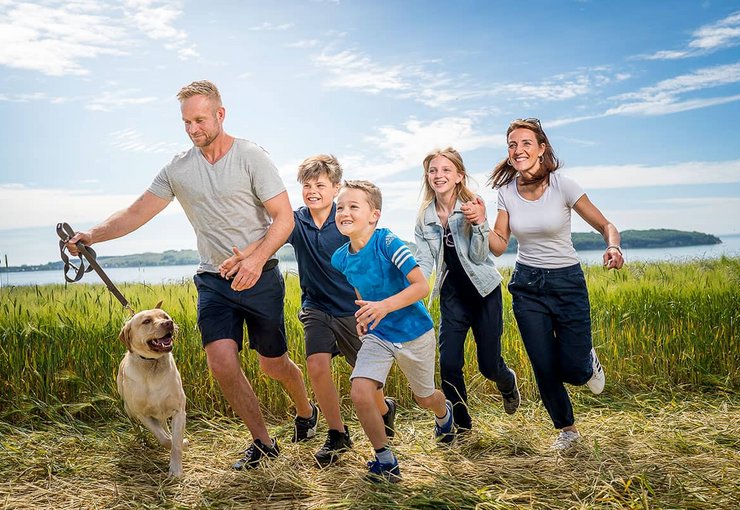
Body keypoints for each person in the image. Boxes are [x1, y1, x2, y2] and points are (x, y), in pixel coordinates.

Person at [67, 80, 317, 469]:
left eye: (199, 119)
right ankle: (264, 442)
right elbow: (136, 212)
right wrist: (92, 234)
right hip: (213, 280)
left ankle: (305, 410)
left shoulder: (251, 156)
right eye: (186, 122)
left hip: (260, 274)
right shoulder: (178, 168)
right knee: (221, 362)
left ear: (220, 114)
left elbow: (284, 219)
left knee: (273, 364)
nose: (192, 128)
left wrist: (254, 260)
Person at [223, 155, 397, 467]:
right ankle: (337, 433)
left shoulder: (345, 220)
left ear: (336, 189)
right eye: (307, 185)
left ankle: (385, 410)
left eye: (320, 185)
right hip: (316, 308)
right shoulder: (295, 220)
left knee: (369, 383)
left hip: (353, 309)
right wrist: (245, 258)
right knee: (317, 365)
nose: (312, 190)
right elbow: (268, 240)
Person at [478, 118, 624, 450]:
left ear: (542, 148)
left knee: (572, 370)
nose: (518, 150)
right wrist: (480, 223)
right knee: (543, 363)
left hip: (567, 283)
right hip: (527, 285)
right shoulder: (506, 193)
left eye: (526, 143)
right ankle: (567, 430)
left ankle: (586, 360)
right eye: (512, 145)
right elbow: (499, 243)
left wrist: (613, 246)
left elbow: (606, 225)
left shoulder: (564, 185)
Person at [331, 180, 454, 483]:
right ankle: (385, 460)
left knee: (424, 397)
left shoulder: (388, 243)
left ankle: (444, 413)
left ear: (374, 215)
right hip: (379, 334)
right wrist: (365, 315)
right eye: (340, 207)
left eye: (353, 206)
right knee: (360, 392)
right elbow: (361, 289)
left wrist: (384, 306)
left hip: (415, 332)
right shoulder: (341, 258)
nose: (344, 212)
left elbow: (421, 286)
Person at [414, 147, 520, 432]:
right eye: (433, 170)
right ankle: (462, 426)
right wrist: (414, 289)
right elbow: (425, 261)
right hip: (452, 296)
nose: (439, 175)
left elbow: (479, 254)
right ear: (428, 176)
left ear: (459, 176)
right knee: (449, 363)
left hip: (485, 293)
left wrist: (480, 222)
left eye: (446, 170)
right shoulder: (424, 216)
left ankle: (506, 380)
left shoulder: (472, 204)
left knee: (488, 365)